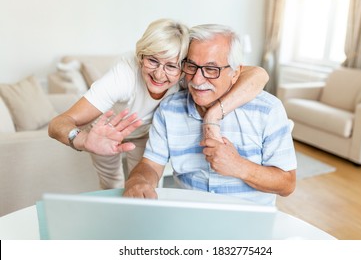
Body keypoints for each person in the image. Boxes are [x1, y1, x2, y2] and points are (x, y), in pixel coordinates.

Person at [48, 18, 269, 190]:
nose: (159, 74)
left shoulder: (190, 73)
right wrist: (84, 139)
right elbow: (58, 123)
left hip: (146, 134)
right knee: (111, 185)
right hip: (104, 133)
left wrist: (214, 114)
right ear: (141, 56)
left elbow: (258, 74)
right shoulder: (124, 74)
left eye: (171, 66)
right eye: (152, 60)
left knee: (146, 185)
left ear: (184, 66)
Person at [123, 24, 297, 206]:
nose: (197, 80)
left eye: (212, 69)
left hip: (247, 223)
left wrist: (239, 166)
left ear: (235, 72)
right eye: (191, 66)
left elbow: (287, 184)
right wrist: (138, 180)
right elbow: (151, 165)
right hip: (188, 217)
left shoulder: (268, 110)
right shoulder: (169, 108)